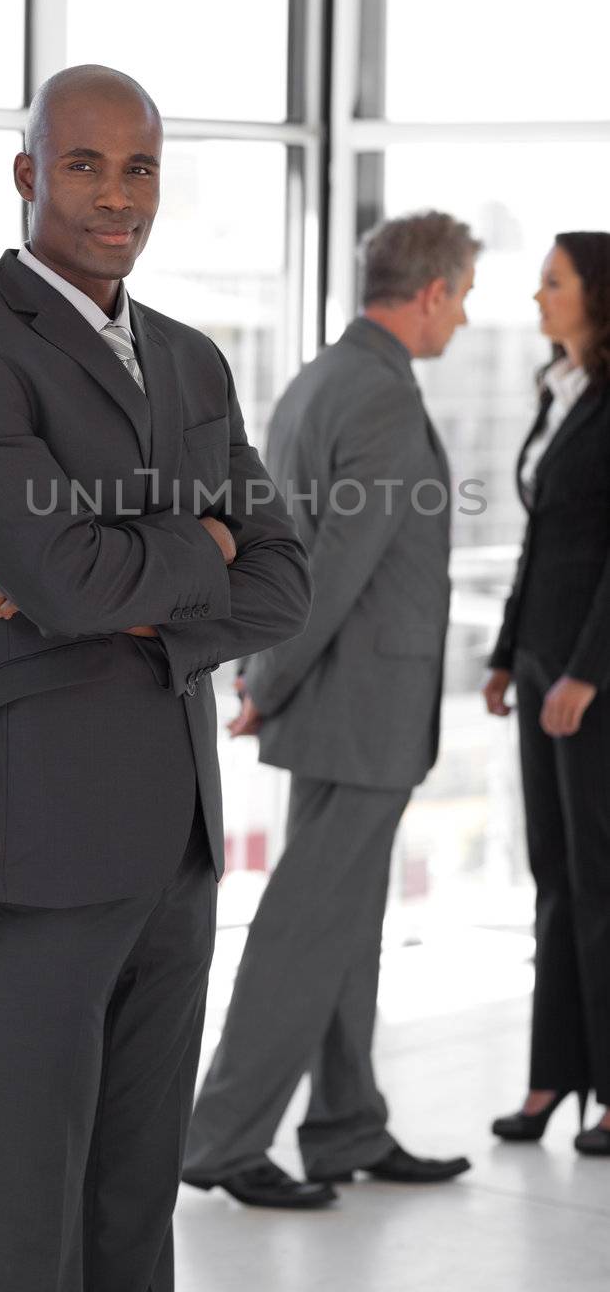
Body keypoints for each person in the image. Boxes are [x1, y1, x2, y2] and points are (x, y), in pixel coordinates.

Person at [0, 63, 312, 1292]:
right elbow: (67, 582)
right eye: (82, 164)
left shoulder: (190, 359)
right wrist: (201, 544)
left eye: (138, 167)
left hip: (179, 838)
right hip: (45, 832)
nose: (115, 194)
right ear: (27, 173)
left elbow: (283, 579)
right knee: (33, 1202)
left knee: (137, 1195)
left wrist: (137, 580)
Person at [182, 211, 478, 1210]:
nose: (465, 317)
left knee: (342, 921)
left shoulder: (321, 378)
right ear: (431, 291)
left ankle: (346, 1121)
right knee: (308, 928)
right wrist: (264, 683)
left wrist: (271, 678)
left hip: (329, 703)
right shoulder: (383, 398)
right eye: (465, 295)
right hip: (358, 708)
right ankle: (220, 1138)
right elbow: (330, 569)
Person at [484, 231, 610, 1157]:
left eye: (551, 283)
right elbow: (540, 542)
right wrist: (503, 654)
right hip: (537, 659)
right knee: (552, 873)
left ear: (597, 296)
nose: (536, 297)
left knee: (601, 877)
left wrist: (585, 670)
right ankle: (551, 1073)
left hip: (589, 674)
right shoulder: (556, 388)